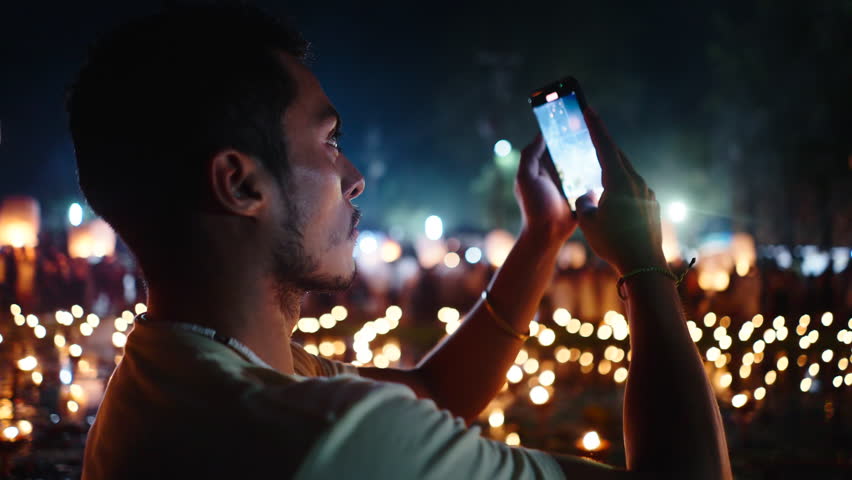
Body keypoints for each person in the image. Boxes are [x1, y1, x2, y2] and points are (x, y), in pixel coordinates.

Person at [68, 5, 731, 479]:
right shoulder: (323, 438)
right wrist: (644, 264)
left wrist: (541, 238)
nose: (354, 179)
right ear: (240, 184)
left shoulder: (165, 377)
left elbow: (436, 390)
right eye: (329, 144)